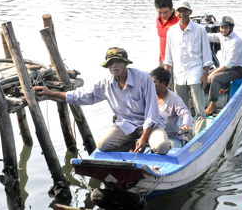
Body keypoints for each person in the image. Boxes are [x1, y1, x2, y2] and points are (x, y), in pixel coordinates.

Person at [34, 47, 171, 155]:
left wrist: (144, 138)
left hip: (149, 125)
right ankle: (131, 146)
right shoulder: (106, 83)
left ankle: (150, 143)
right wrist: (51, 93)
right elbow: (82, 95)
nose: (114, 66)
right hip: (126, 125)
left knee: (162, 147)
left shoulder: (143, 78)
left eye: (118, 62)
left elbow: (152, 113)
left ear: (125, 63)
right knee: (102, 145)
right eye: (111, 63)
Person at [164, 1, 213, 135]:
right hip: (178, 76)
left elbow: (207, 55)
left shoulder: (200, 30)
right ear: (176, 13)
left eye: (185, 11)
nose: (182, 14)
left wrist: (205, 74)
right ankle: (186, 137)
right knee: (182, 110)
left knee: (200, 110)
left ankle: (200, 136)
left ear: (190, 12)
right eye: (179, 11)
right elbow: (168, 58)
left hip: (196, 74)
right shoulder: (171, 31)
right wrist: (166, 79)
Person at [205, 16, 242, 116]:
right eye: (222, 28)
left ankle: (213, 104)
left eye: (226, 28)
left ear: (231, 28)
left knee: (215, 77)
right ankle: (203, 100)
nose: (223, 30)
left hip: (238, 69)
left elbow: (229, 64)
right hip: (227, 68)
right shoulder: (221, 36)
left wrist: (212, 74)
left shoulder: (236, 41)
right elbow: (209, 36)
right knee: (204, 74)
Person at [150, 67, 192, 148]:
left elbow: (186, 114)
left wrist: (185, 125)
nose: (150, 85)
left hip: (171, 137)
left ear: (163, 83)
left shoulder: (174, 99)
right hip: (153, 135)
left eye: (154, 82)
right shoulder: (148, 96)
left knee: (168, 151)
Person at [155, 0, 179, 67]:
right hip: (163, 61)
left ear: (172, 7)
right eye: (160, 12)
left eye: (165, 12)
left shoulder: (179, 20)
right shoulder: (158, 19)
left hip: (176, 62)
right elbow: (161, 40)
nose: (163, 15)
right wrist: (159, 61)